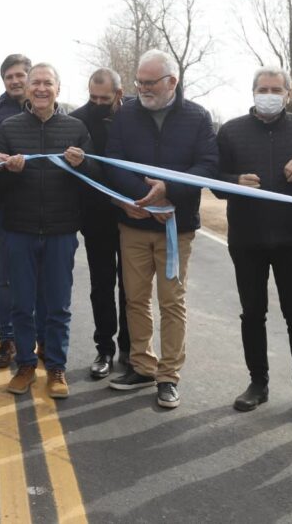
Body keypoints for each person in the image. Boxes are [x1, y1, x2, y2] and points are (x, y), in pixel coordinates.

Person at [215, 67, 292, 425]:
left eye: (275, 89)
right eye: (262, 89)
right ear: (252, 92)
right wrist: (234, 181)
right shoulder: (231, 130)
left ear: (288, 93)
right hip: (247, 238)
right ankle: (257, 383)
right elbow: (213, 180)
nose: (268, 94)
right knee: (253, 313)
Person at [105, 49, 219, 409]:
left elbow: (207, 166)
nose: (143, 88)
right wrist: (143, 197)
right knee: (135, 298)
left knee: (172, 302)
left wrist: (168, 191)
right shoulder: (126, 115)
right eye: (139, 82)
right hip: (135, 222)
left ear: (172, 81)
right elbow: (113, 162)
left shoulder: (198, 118)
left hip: (176, 226)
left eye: (150, 82)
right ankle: (141, 365)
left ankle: (168, 376)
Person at [0, 63, 98, 399]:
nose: (40, 89)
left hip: (61, 230)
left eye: (47, 83)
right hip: (19, 230)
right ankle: (23, 365)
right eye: (35, 82)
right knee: (22, 303)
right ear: (27, 88)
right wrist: (6, 170)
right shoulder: (8, 128)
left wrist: (84, 163)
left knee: (58, 305)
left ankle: (55, 366)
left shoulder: (76, 129)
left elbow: (93, 179)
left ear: (58, 89)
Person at [69, 68, 129, 379]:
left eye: (104, 98)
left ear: (119, 94)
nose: (97, 103)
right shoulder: (79, 119)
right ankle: (104, 347)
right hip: (95, 215)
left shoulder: (134, 115)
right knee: (101, 285)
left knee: (131, 287)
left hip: (132, 214)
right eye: (92, 97)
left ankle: (130, 350)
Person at [0, 54, 38, 368]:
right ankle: (7, 339)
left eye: (20, 75)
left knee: (39, 280)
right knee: (5, 280)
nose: (16, 81)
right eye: (9, 77)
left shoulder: (49, 113)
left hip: (43, 209)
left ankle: (36, 339)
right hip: (6, 208)